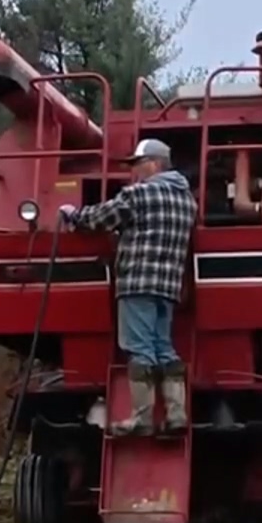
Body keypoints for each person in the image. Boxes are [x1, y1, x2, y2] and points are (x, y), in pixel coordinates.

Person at [59, 138, 196, 435]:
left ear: (155, 164)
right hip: (168, 286)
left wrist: (72, 214)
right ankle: (176, 415)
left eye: (138, 164)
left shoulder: (140, 195)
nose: (134, 171)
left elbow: (99, 218)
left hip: (137, 282)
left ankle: (141, 419)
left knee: (139, 349)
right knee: (164, 348)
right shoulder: (188, 200)